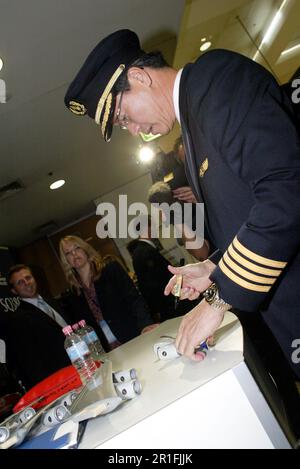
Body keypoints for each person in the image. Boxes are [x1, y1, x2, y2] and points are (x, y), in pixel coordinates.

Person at [64, 30, 300, 439]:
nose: (134, 131)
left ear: (138, 77)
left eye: (123, 117)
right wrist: (213, 267)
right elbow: (246, 211)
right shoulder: (194, 116)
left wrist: (218, 298)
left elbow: (285, 191)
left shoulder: (215, 80)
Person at [59, 236, 156, 352]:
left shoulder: (110, 270)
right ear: (66, 261)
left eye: (77, 248)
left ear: (85, 249)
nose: (74, 254)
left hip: (133, 335)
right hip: (105, 350)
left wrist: (146, 324)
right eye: (68, 253)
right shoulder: (73, 293)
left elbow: (134, 299)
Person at [6, 265, 71, 390]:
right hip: (61, 381)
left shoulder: (53, 302)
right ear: (14, 291)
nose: (27, 283)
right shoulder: (18, 320)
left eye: (28, 278)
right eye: (20, 282)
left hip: (82, 364)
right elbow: (31, 361)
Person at [127, 215, 199, 322]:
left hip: (165, 304)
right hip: (170, 303)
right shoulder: (146, 251)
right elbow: (159, 281)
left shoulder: (139, 251)